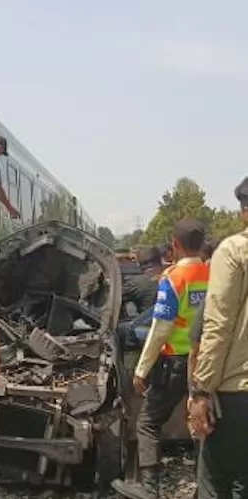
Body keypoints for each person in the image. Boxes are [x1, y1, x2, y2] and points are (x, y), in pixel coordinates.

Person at [112, 219, 209, 499]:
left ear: (175, 246)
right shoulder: (213, 273)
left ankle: (148, 487)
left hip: (175, 363)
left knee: (148, 422)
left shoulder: (173, 278)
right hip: (205, 362)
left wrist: (141, 370)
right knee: (201, 423)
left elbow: (160, 329)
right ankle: (205, 486)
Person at [189, 177, 248, 498]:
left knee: (216, 479)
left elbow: (218, 326)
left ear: (244, 213)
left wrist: (201, 391)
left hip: (238, 394)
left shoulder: (234, 250)